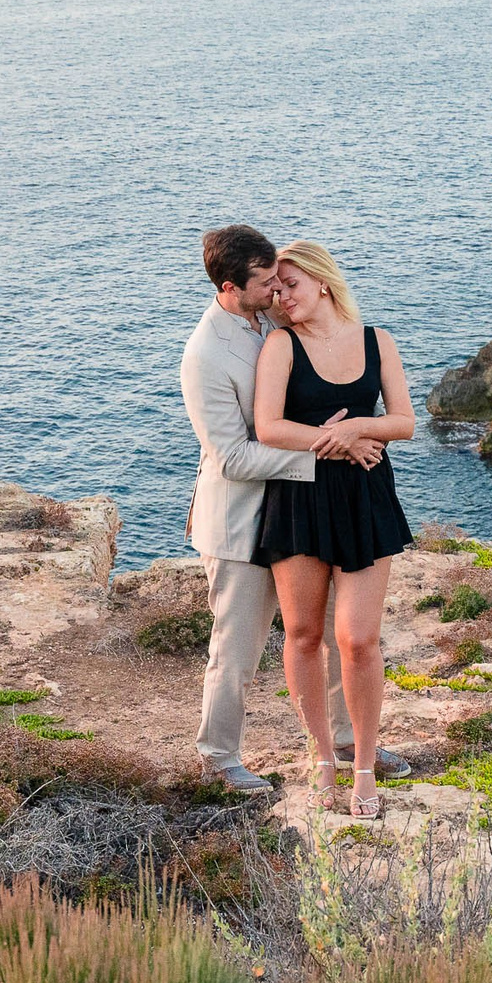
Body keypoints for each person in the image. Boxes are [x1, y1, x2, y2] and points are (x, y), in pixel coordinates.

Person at [179, 224, 371, 793]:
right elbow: (231, 456)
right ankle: (217, 756)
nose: (276, 292)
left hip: (299, 512)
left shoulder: (269, 320)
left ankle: (343, 742)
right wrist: (326, 448)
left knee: (329, 633)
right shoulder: (205, 353)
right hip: (240, 518)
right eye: (264, 283)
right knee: (237, 649)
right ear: (230, 286)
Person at [251, 242, 417, 816]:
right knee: (301, 635)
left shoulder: (377, 340)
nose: (282, 296)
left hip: (365, 495)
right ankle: (323, 757)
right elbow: (268, 429)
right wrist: (337, 440)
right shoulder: (280, 345)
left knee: (359, 639)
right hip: (299, 496)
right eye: (274, 289)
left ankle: (364, 768)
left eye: (290, 284)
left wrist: (359, 428)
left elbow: (405, 422)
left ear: (322, 281)